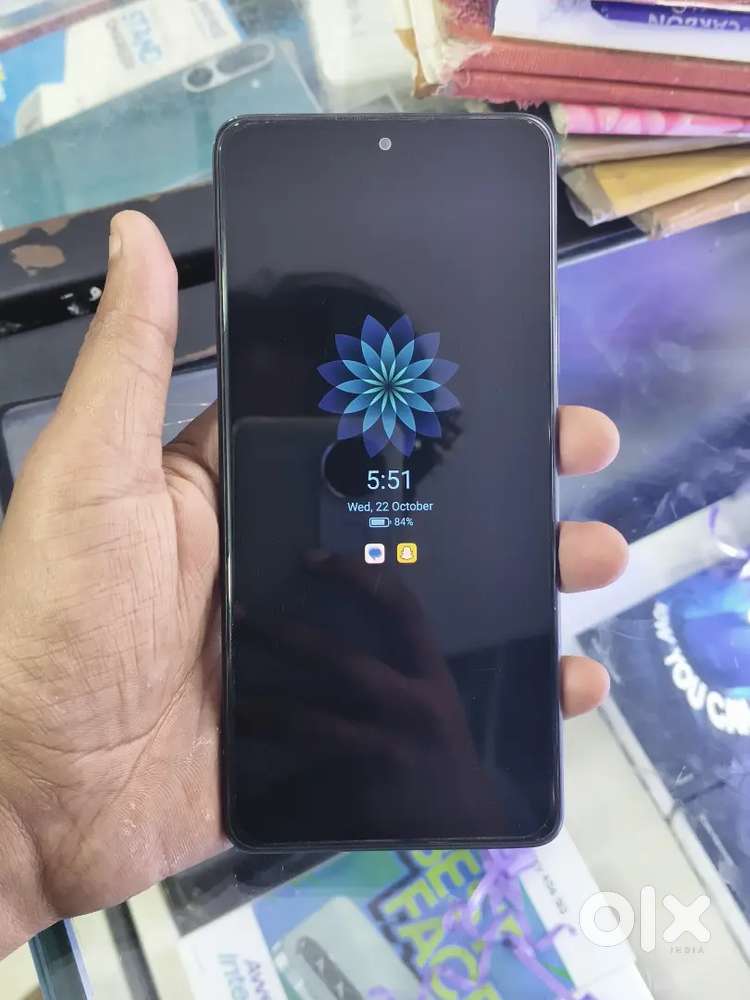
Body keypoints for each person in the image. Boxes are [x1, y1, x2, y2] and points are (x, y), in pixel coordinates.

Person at [0, 211, 628, 959]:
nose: (311, 493)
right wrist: (22, 807)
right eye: (277, 453)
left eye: (343, 461)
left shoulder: (449, 652)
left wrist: (459, 790)